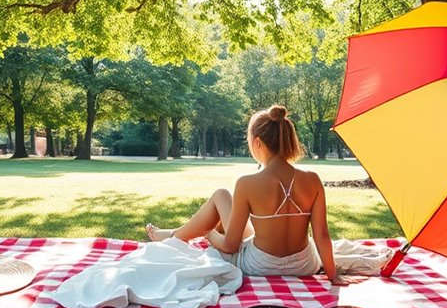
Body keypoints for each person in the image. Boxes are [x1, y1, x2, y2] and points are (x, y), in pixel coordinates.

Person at [146, 105, 351, 285]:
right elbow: (322, 235)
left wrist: (207, 232)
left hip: (261, 265)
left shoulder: (247, 184)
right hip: (305, 265)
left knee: (220, 195)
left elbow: (230, 245)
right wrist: (332, 275)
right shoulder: (313, 180)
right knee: (238, 215)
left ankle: (176, 235)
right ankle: (174, 233)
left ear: (258, 142)